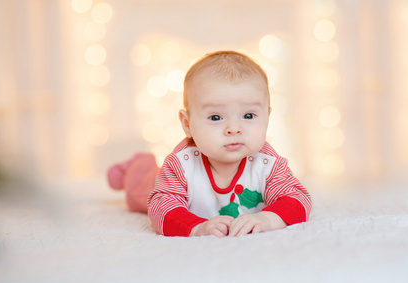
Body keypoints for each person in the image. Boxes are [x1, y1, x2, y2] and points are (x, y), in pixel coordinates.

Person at [107, 50, 311, 237]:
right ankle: (135, 167)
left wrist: (268, 218)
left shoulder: (268, 163)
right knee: (140, 190)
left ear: (267, 116)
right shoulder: (181, 164)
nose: (234, 129)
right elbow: (161, 206)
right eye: (215, 117)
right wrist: (197, 227)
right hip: (154, 182)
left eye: (248, 115)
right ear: (187, 124)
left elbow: (298, 198)